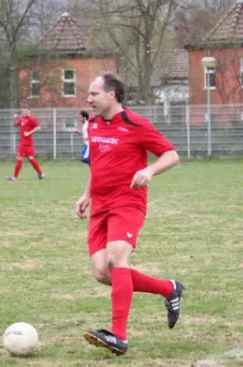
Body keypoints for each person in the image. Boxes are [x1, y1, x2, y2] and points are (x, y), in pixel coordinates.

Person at [75, 72, 183, 356]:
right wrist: (87, 194)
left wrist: (148, 170)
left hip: (128, 201)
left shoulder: (137, 124)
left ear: (112, 95)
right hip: (100, 205)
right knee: (101, 272)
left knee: (116, 258)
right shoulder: (94, 125)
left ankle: (119, 337)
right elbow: (97, 164)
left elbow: (171, 155)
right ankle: (168, 288)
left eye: (94, 94)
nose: (89, 99)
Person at [7, 108, 45, 180]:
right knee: (30, 158)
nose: (23, 112)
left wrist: (29, 133)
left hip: (27, 143)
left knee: (21, 158)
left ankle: (15, 177)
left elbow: (38, 127)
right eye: (23, 111)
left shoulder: (31, 119)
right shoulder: (22, 118)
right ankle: (41, 174)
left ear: (28, 112)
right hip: (23, 142)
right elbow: (15, 125)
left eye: (25, 111)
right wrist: (15, 119)